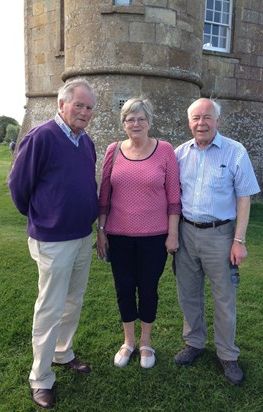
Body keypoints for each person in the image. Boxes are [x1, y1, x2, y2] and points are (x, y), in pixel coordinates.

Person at [8, 79, 98, 409]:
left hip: (81, 236)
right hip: (53, 239)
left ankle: (62, 353)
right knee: (50, 307)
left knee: (73, 300)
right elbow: (18, 187)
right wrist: (42, 217)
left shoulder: (86, 142)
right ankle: (41, 377)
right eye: (79, 105)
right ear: (62, 104)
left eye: (89, 107)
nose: (85, 112)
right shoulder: (41, 136)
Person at [174, 98, 260, 385]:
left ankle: (227, 355)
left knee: (224, 298)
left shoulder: (235, 152)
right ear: (189, 122)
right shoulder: (179, 154)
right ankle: (194, 343)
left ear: (218, 121)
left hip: (221, 235)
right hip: (186, 234)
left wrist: (239, 240)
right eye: (196, 118)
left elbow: (244, 198)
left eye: (207, 117)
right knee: (188, 294)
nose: (202, 123)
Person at [97, 96, 181, 369]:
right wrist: (101, 230)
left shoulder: (165, 150)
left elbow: (173, 197)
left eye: (141, 119)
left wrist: (172, 234)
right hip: (118, 236)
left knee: (148, 288)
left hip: (155, 237)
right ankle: (128, 341)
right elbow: (105, 195)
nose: (136, 123)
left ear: (149, 122)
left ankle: (146, 342)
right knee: (123, 289)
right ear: (123, 123)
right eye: (130, 119)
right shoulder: (113, 150)